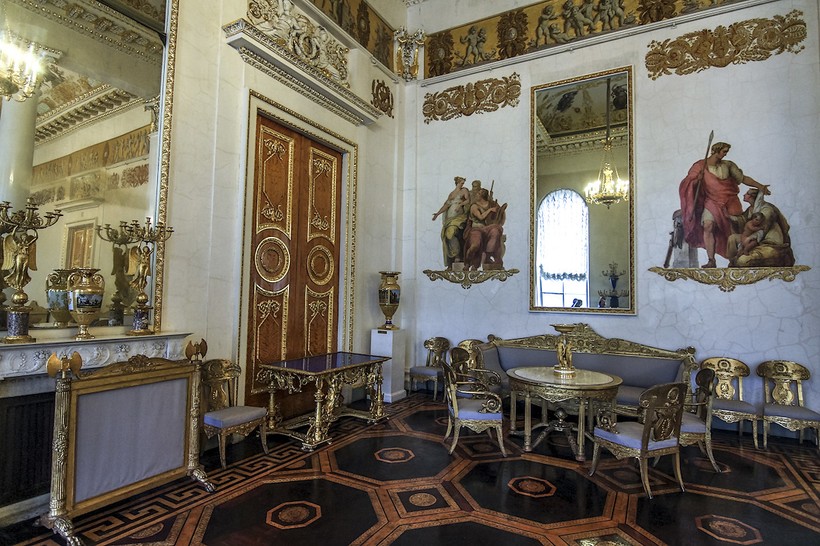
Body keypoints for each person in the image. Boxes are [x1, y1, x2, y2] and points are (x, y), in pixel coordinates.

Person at [678, 141, 770, 268]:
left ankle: (735, 259)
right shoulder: (700, 165)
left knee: (734, 228)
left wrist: (760, 186)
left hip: (730, 201)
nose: (725, 154)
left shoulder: (728, 165)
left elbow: (743, 179)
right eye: (724, 151)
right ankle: (711, 260)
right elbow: (687, 182)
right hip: (712, 201)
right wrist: (696, 180)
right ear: (715, 151)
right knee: (708, 225)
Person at [726, 188, 794, 267]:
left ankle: (740, 259)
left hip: (768, 242)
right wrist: (729, 217)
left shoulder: (767, 209)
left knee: (743, 261)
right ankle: (733, 262)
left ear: (752, 197)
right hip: (752, 239)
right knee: (732, 238)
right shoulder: (751, 209)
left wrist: (750, 237)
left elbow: (763, 226)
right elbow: (742, 220)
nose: (744, 195)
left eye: (747, 193)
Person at [463, 188, 507, 270]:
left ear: (482, 196)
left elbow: (499, 214)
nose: (476, 195)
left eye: (478, 194)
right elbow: (481, 217)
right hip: (476, 229)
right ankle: (468, 262)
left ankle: (488, 255)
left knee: (496, 230)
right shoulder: (474, 206)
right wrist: (490, 210)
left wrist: (498, 212)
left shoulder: (490, 204)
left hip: (486, 228)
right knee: (475, 246)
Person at [432, 176, 470, 269]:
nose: (463, 184)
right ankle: (454, 256)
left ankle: (457, 256)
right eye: (461, 183)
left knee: (450, 233)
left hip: (459, 218)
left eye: (463, 183)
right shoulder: (452, 194)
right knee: (446, 235)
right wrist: (437, 214)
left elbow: (468, 200)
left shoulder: (464, 190)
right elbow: (446, 206)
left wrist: (460, 205)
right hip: (450, 219)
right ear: (457, 182)